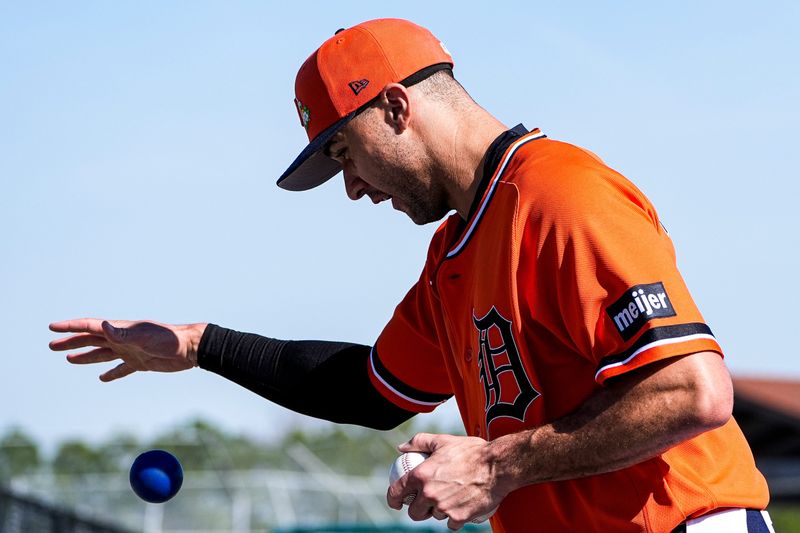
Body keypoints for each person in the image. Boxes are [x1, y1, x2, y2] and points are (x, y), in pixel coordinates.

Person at [49, 18, 772, 533]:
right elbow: (369, 389)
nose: (352, 186)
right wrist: (201, 343)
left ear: (396, 105)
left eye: (344, 151)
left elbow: (693, 390)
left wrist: (496, 464)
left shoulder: (561, 195)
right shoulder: (453, 256)